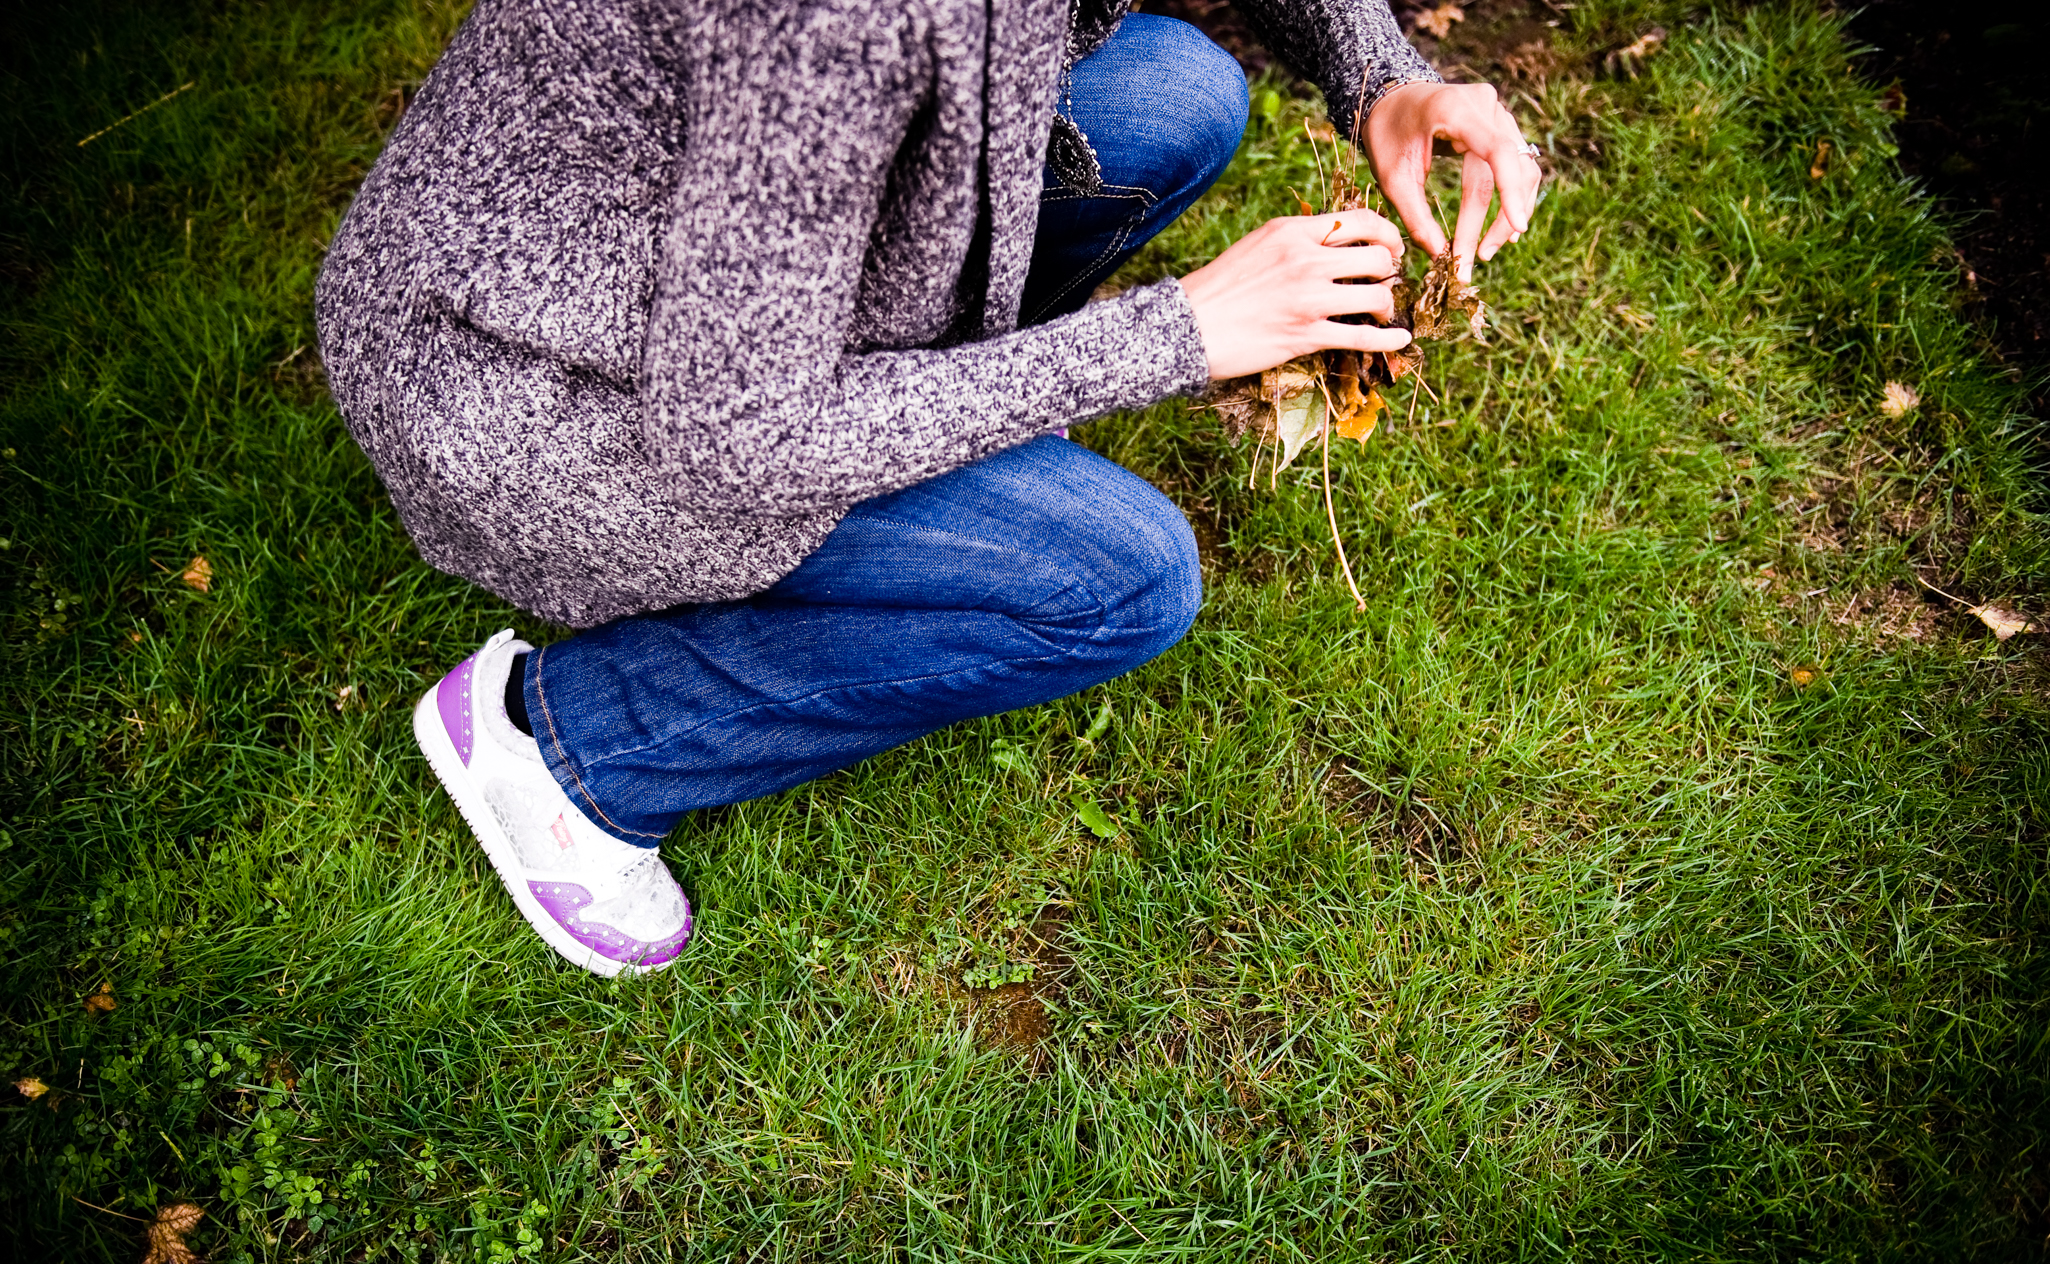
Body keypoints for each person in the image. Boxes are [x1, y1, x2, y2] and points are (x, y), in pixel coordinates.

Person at [315, 0, 1541, 976]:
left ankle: (945, 414)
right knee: (1118, 582)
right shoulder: (830, 26)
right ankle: (574, 746)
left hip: (741, 290)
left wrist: (1382, 73)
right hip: (527, 386)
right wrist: (1175, 333)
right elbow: (732, 436)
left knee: (1173, 94)